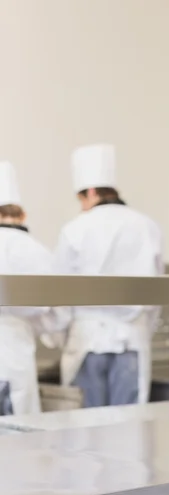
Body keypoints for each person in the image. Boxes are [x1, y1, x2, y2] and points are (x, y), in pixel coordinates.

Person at [55, 143, 163, 408]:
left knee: (82, 431)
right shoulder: (146, 225)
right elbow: (157, 291)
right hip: (132, 341)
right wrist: (143, 330)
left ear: (90, 192)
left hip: (86, 341)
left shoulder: (75, 228)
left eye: (81, 199)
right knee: (124, 430)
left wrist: (59, 338)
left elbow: (59, 289)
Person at [0, 161, 68, 415]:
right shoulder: (37, 250)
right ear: (22, 214)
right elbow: (57, 316)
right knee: (17, 436)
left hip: (17, 349)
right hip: (17, 354)